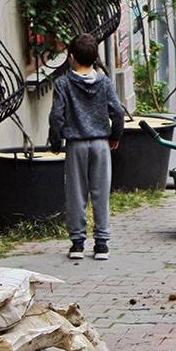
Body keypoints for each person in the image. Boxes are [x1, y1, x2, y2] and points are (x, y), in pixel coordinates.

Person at [48, 33, 125, 261]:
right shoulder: (104, 82)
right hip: (101, 143)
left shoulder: (63, 84)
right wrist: (115, 135)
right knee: (101, 193)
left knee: (76, 193)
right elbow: (118, 111)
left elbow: (56, 115)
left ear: (71, 57)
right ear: (95, 58)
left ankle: (77, 244)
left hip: (76, 145)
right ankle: (101, 244)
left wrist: (55, 141)